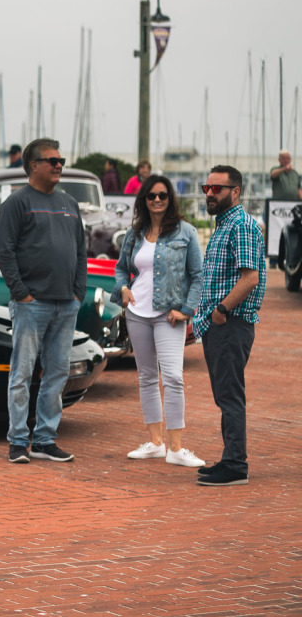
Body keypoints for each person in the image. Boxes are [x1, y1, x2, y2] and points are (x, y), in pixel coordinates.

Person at [0, 138, 86, 464]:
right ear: (34, 165)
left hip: (66, 304)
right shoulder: (16, 203)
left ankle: (46, 440)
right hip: (31, 305)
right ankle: (18, 442)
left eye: (61, 160)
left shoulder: (69, 204)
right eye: (52, 161)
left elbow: (80, 251)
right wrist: (22, 293)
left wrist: (78, 292)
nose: (59, 165)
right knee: (21, 375)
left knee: (57, 374)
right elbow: (3, 251)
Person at [111, 176, 205, 468]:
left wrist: (187, 310)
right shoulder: (135, 233)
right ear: (144, 199)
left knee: (173, 378)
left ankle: (175, 448)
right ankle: (155, 443)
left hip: (169, 315)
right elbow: (121, 269)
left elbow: (198, 276)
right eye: (151, 195)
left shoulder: (186, 232)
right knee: (147, 377)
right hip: (137, 313)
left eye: (163, 195)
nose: (157, 200)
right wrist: (123, 289)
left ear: (170, 198)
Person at [194, 165, 266, 486]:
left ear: (235, 192)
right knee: (225, 394)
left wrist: (222, 309)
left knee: (230, 395)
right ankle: (229, 458)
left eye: (217, 189)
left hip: (231, 323)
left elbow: (250, 277)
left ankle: (236, 465)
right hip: (219, 324)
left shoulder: (241, 226)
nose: (210, 194)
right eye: (206, 188)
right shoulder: (225, 225)